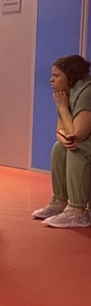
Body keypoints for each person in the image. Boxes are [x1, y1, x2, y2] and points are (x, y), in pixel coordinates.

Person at [31, 54, 91, 229]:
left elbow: (77, 134)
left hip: (84, 140)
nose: (51, 80)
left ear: (70, 77)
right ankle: (60, 201)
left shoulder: (86, 92)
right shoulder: (65, 93)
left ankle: (78, 211)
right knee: (59, 148)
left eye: (56, 76)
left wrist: (63, 108)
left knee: (77, 148)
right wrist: (64, 137)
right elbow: (61, 131)